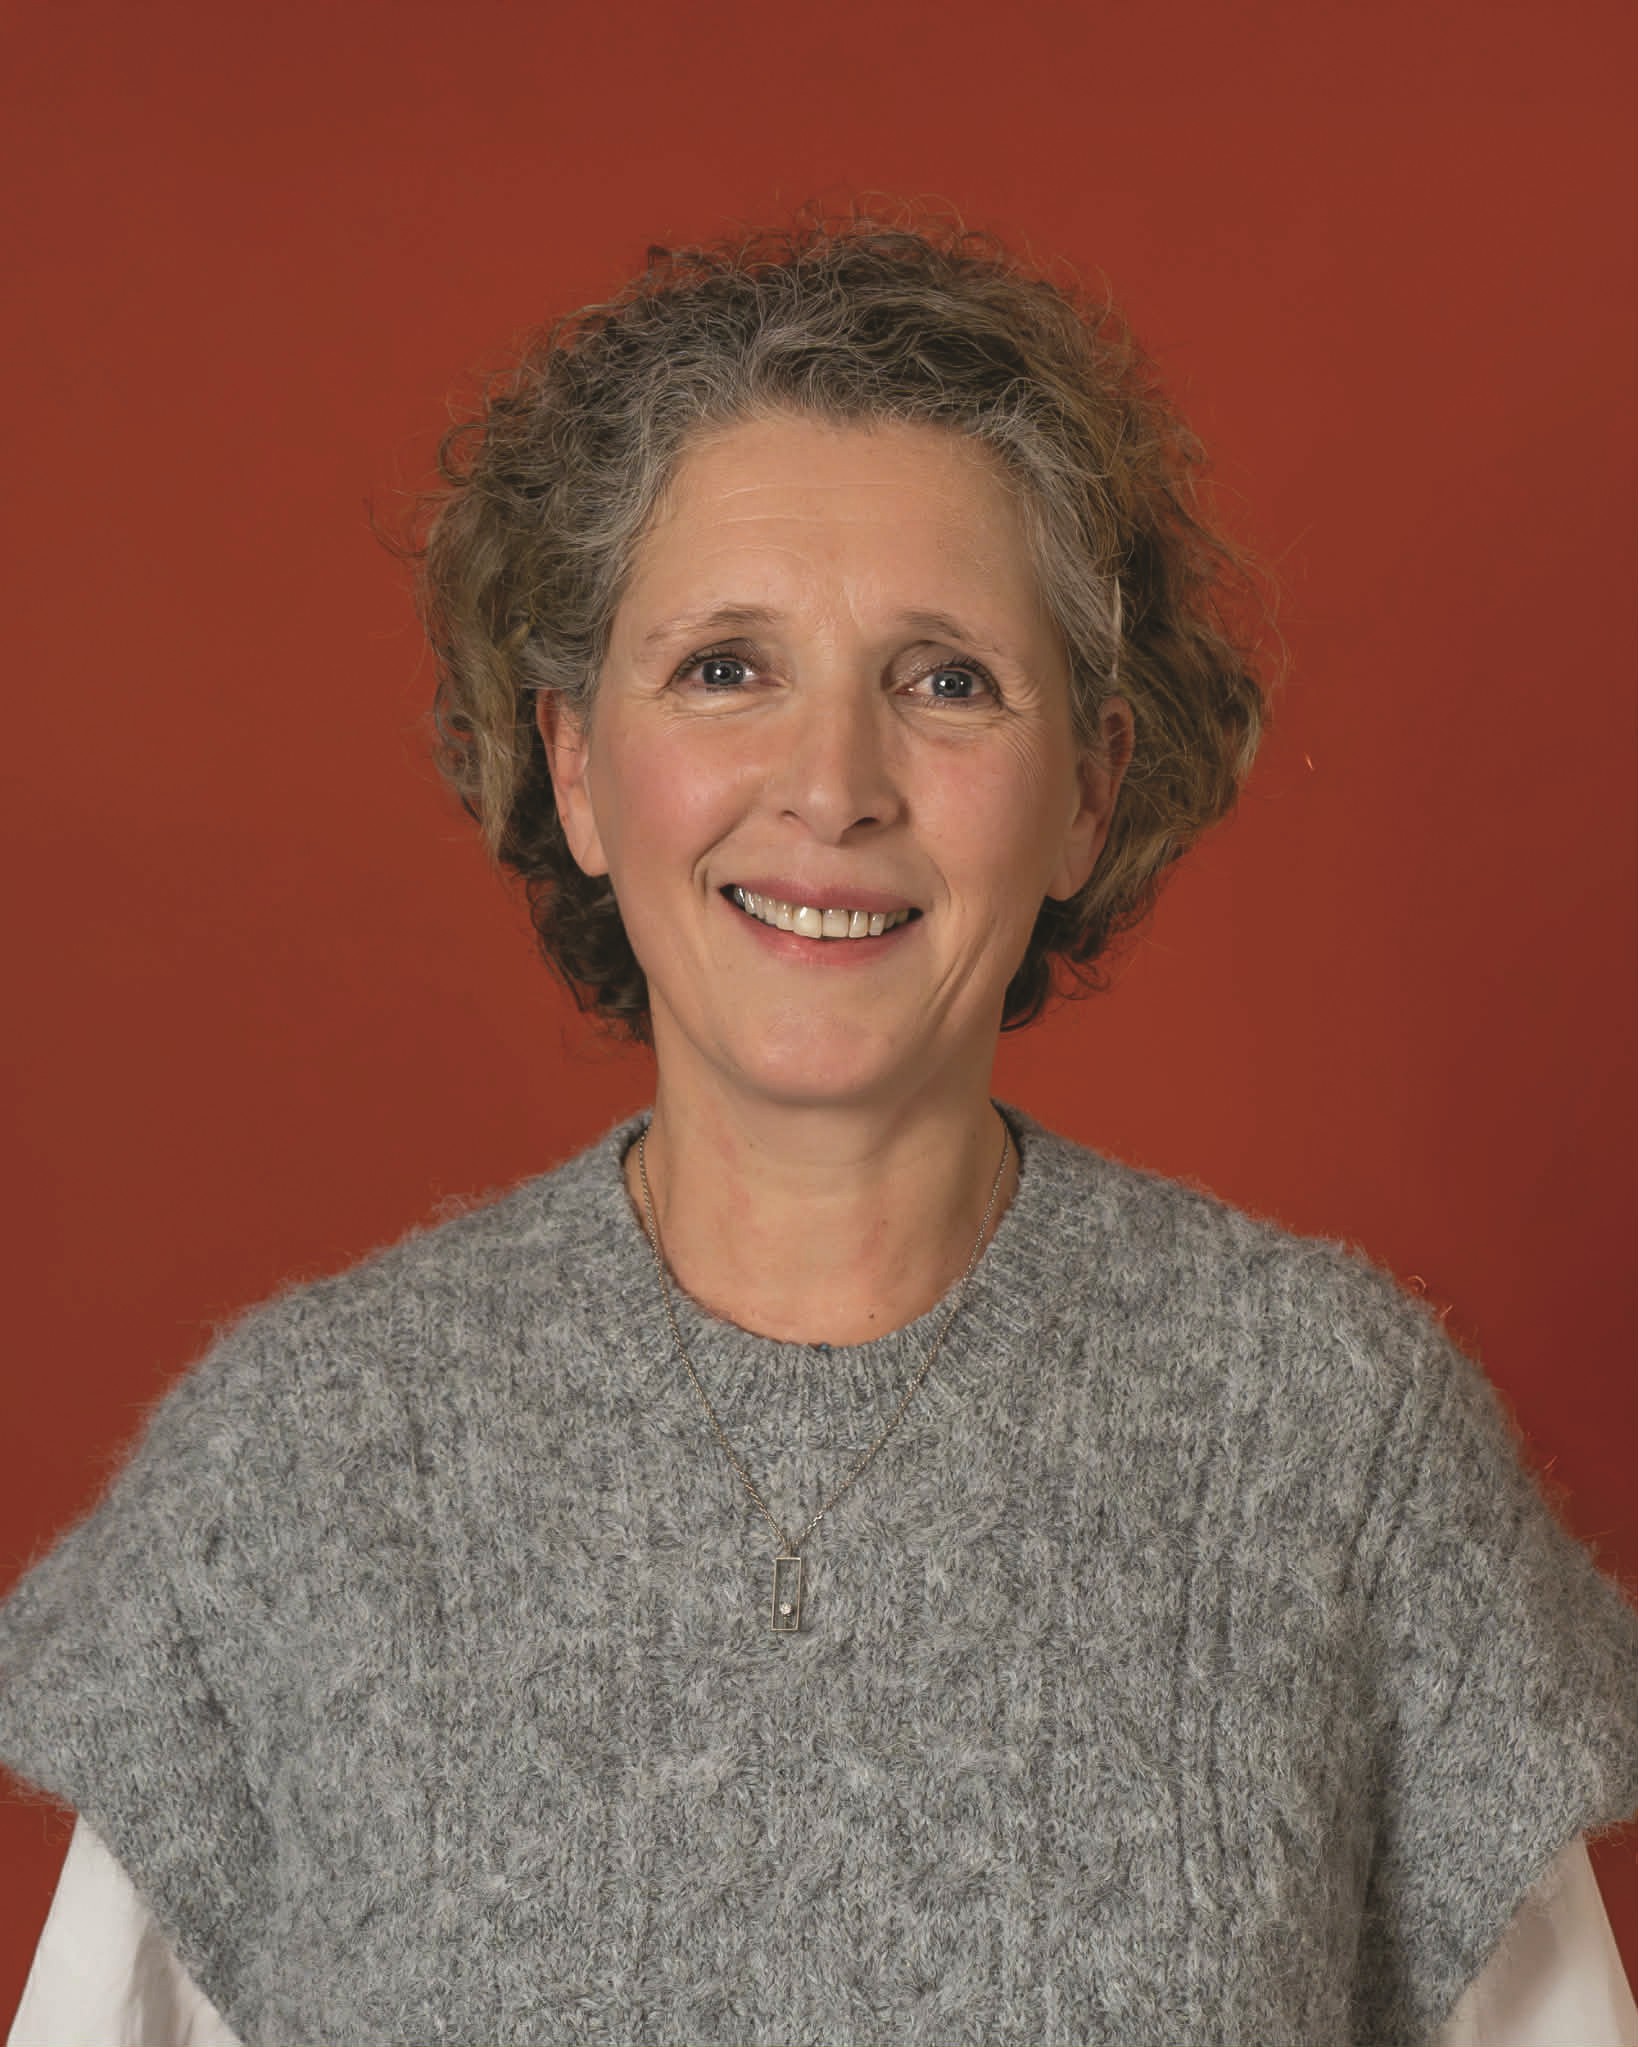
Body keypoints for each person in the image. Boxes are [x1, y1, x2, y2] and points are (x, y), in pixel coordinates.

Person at [3, 204, 1636, 2047]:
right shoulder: (297, 1471)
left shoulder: (1336, 1443)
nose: (833, 786)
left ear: (1088, 788)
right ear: (575, 764)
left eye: (945, 681)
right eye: (725, 666)